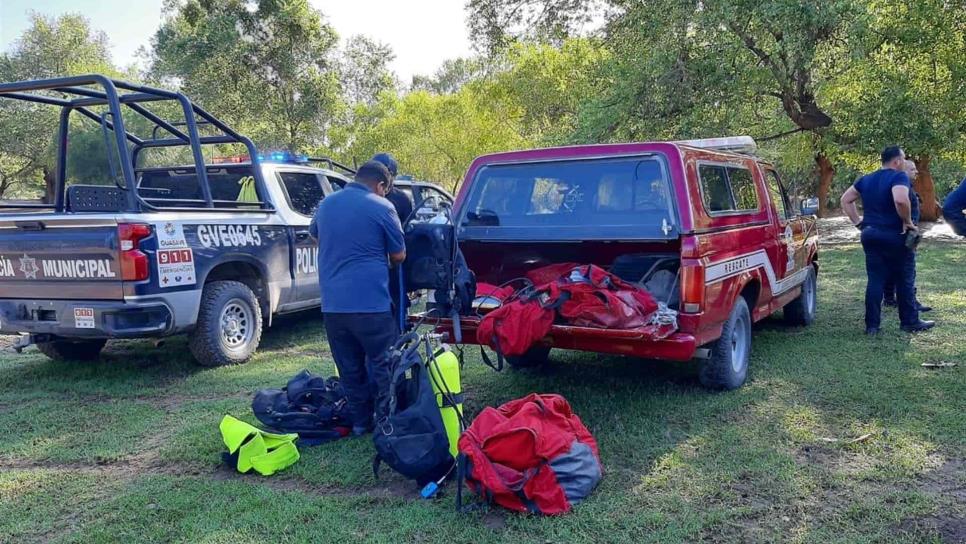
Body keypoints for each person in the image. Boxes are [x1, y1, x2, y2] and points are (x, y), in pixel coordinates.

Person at [310, 160, 406, 435]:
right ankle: (387, 421)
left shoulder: (327, 203)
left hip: (333, 307)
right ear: (381, 185)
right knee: (383, 362)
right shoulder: (382, 206)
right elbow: (399, 255)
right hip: (371, 305)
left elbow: (315, 235)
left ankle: (361, 424)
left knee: (348, 367)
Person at [839, 146, 934, 335]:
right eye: (904, 159)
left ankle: (872, 326)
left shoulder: (866, 179)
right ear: (897, 161)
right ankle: (910, 321)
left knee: (875, 280)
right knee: (904, 277)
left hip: (870, 234)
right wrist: (907, 221)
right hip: (895, 234)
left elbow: (845, 199)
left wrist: (859, 223)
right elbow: (900, 199)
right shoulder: (899, 177)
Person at [371, 153, 414, 331]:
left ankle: (398, 332)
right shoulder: (366, 199)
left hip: (395, 264)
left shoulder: (401, 199)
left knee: (397, 302)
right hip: (372, 262)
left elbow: (408, 234)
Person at [883, 159, 930, 312]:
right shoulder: (901, 189)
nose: (916, 172)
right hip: (903, 234)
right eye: (912, 169)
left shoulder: (902, 187)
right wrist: (909, 224)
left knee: (892, 267)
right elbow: (900, 205)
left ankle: (889, 298)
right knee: (907, 270)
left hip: (894, 234)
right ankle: (910, 302)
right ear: (902, 171)